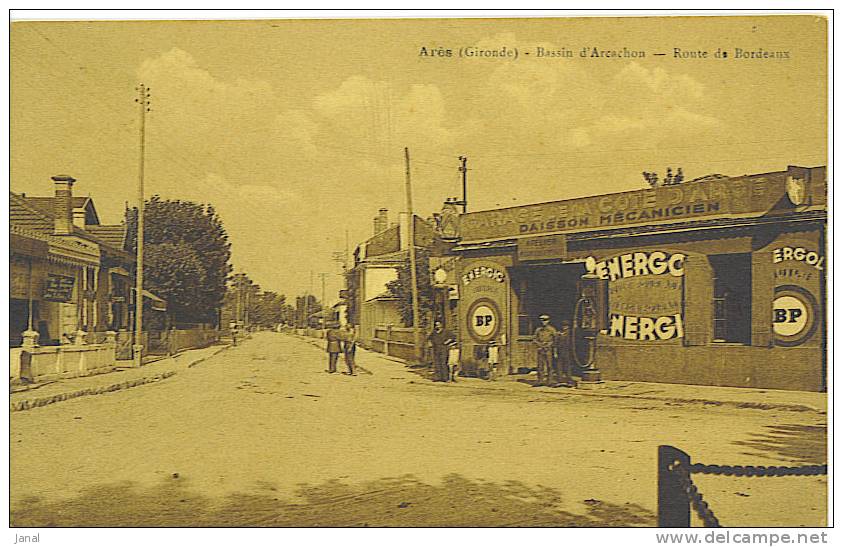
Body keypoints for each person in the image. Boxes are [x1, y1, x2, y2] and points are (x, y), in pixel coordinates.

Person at [533, 314, 557, 387]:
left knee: (549, 366)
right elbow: (534, 339)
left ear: (548, 321)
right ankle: (540, 380)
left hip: (548, 349)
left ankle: (550, 381)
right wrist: (539, 345)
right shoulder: (538, 330)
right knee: (540, 366)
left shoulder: (552, 330)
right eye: (542, 320)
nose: (543, 322)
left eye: (545, 320)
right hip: (540, 349)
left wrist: (549, 344)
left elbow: (555, 340)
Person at [554, 320, 575, 387]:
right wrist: (555, 352)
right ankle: (560, 380)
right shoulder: (559, 334)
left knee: (567, 366)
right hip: (560, 351)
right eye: (563, 326)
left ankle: (569, 381)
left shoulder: (571, 334)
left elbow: (572, 343)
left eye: (566, 326)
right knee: (559, 366)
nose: (564, 327)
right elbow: (555, 343)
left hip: (567, 351)